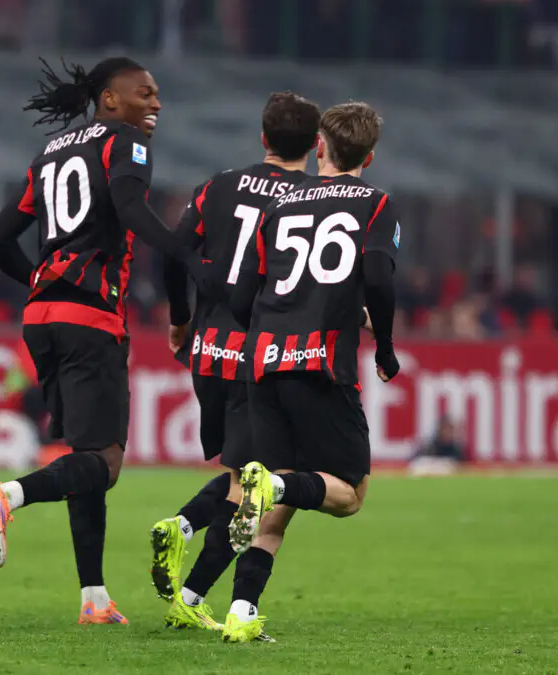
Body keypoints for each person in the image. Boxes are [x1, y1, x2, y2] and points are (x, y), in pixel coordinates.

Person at [0, 56, 222, 625]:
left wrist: (38, 278)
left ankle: (93, 598)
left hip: (42, 316)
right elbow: (133, 211)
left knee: (85, 457)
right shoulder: (124, 142)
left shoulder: (51, 153)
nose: (155, 103)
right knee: (106, 463)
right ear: (110, 99)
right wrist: (185, 251)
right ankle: (7, 496)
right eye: (145, 93)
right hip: (90, 318)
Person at [221, 101, 401, 643]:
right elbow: (379, 278)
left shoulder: (282, 204)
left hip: (264, 360)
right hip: (321, 365)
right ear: (369, 157)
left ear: (320, 147)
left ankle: (241, 613)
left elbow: (240, 295)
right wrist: (385, 345)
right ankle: (271, 483)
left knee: (279, 501)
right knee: (348, 493)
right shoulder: (376, 204)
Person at [148, 91, 321, 635]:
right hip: (261, 356)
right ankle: (197, 578)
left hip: (207, 350)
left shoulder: (218, 185)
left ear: (264, 139)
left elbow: (174, 251)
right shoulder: (313, 199)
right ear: (316, 146)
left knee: (240, 478)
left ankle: (186, 542)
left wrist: (181, 319)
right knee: (260, 487)